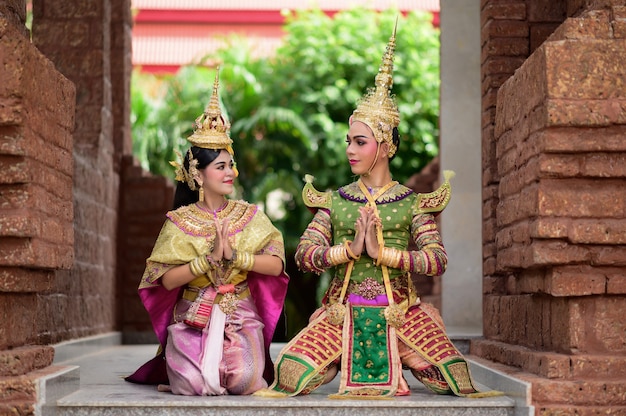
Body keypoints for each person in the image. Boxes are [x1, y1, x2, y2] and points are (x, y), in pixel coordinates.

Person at [255, 27, 495, 399]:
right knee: (290, 373)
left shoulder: (412, 203)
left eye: (360, 141)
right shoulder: (335, 201)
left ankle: (400, 358)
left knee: (455, 379)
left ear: (383, 146)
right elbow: (303, 256)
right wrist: (348, 251)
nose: (350, 149)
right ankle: (358, 359)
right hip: (342, 313)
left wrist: (384, 253)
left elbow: (437, 260)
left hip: (400, 313)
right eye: (349, 141)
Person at [125, 69, 289, 396]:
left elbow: (277, 266)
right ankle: (178, 368)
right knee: (192, 384)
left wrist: (236, 257)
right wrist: (208, 259)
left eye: (231, 164)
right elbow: (166, 280)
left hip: (240, 314)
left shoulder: (249, 215)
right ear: (198, 175)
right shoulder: (179, 221)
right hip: (192, 317)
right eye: (221, 166)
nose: (231, 172)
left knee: (244, 380)